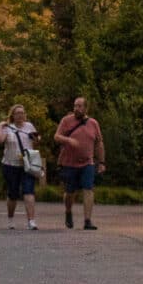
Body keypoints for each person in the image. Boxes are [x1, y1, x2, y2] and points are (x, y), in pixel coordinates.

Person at [54, 95, 106, 231]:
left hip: (88, 163)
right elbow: (57, 136)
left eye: (79, 106)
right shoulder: (66, 121)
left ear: (86, 108)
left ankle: (87, 220)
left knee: (88, 189)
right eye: (75, 106)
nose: (76, 108)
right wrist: (68, 140)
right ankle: (68, 211)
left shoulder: (93, 123)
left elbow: (99, 143)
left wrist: (101, 162)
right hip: (69, 163)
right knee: (69, 192)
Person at [0, 101, 42, 229]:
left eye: (22, 113)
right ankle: (10, 219)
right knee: (13, 193)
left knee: (29, 191)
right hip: (10, 165)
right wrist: (0, 126)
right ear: (13, 115)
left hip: (27, 165)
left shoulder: (29, 126)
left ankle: (31, 221)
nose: (20, 115)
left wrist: (36, 138)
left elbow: (38, 140)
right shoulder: (7, 127)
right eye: (18, 113)